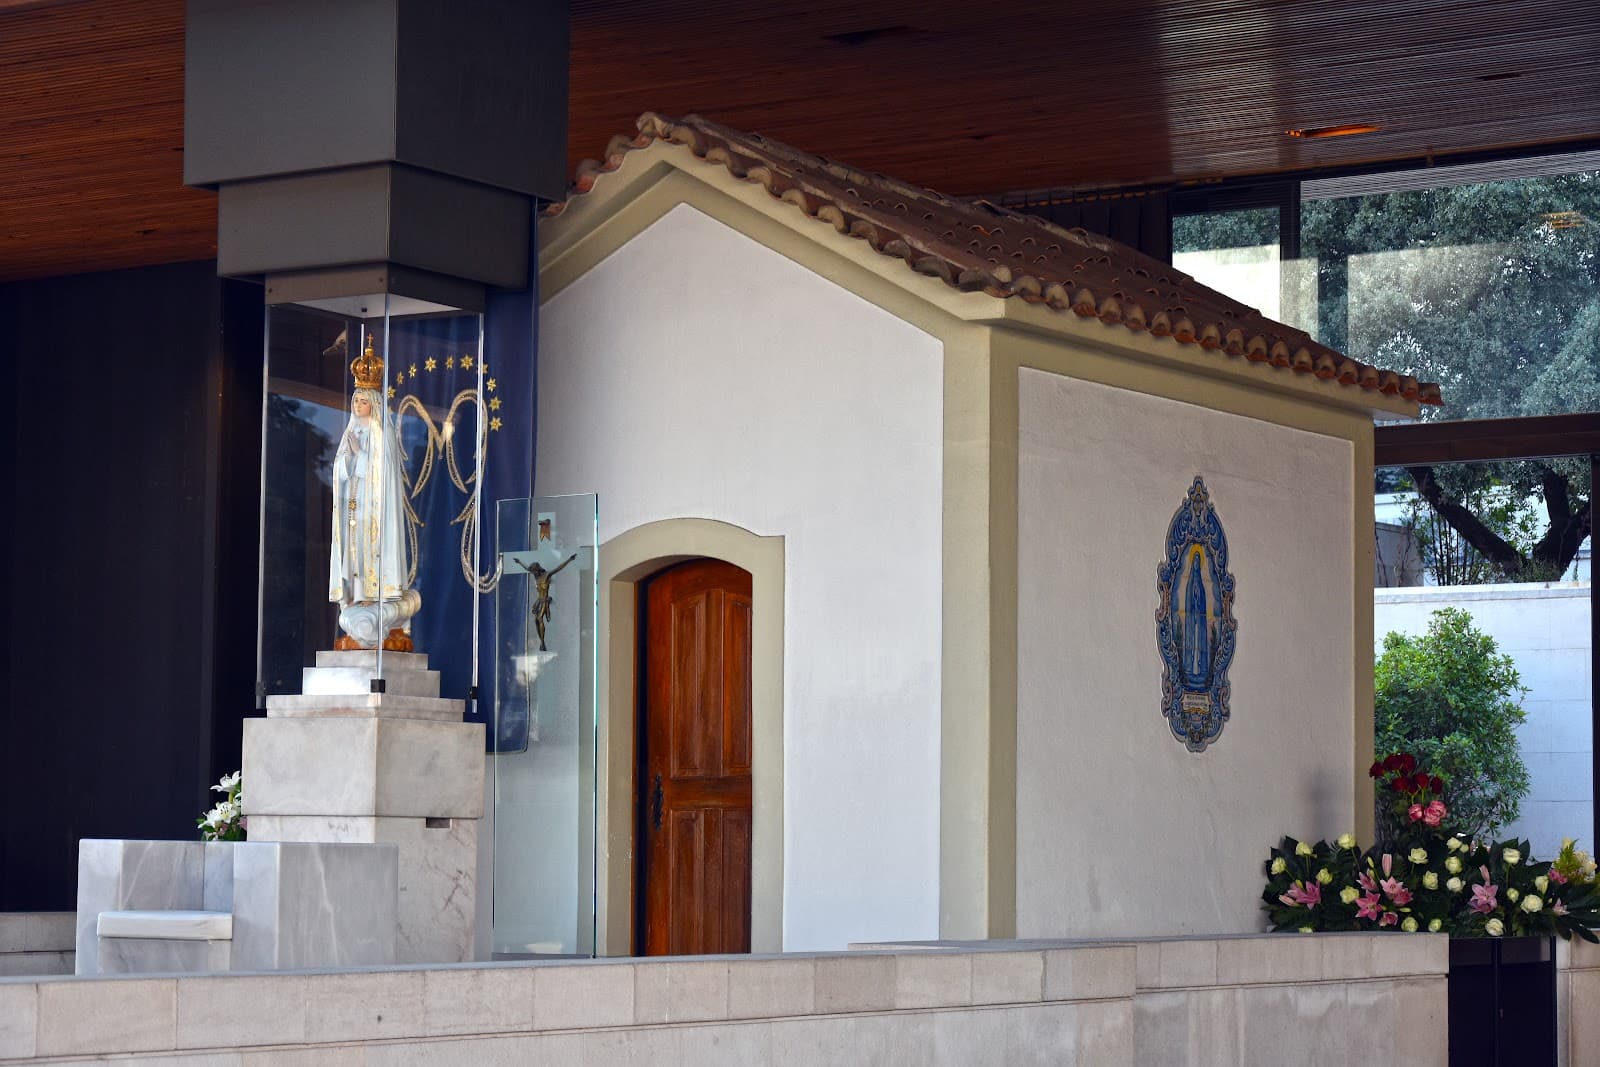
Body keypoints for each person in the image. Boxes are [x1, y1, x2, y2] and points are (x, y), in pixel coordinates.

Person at [329, 336, 413, 634]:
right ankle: (356, 595)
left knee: (371, 547)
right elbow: (339, 470)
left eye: (363, 401)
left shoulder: (381, 434)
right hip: (354, 506)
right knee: (354, 549)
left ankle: (377, 596)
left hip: (374, 509)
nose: (358, 405)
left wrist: (360, 455)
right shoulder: (350, 432)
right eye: (355, 400)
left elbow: (384, 472)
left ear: (374, 404)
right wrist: (348, 458)